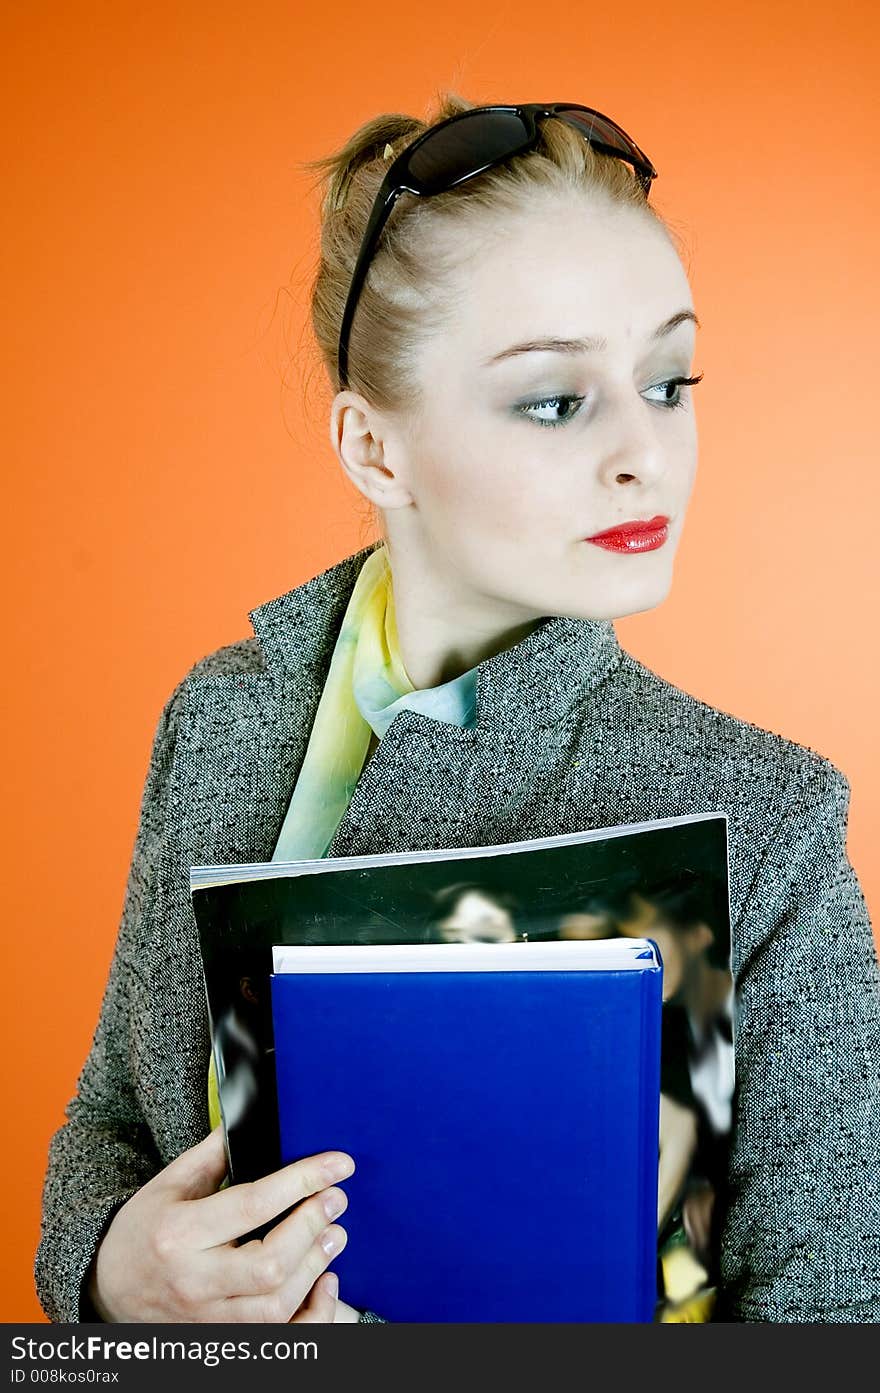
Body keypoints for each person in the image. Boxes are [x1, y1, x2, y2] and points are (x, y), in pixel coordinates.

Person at [35, 93, 880, 1325]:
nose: (646, 451)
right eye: (555, 399)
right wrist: (119, 1274)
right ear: (376, 451)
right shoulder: (220, 715)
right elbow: (112, 1124)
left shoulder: (770, 814)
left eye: (668, 378)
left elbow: (835, 1323)